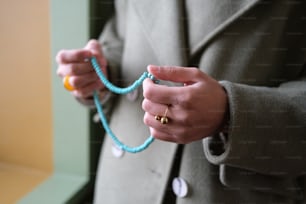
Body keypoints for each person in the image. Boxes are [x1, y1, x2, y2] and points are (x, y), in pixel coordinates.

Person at [56, 0, 306, 203]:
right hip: (123, 185)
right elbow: (122, 36)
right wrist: (101, 73)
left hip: (235, 192)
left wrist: (232, 113)